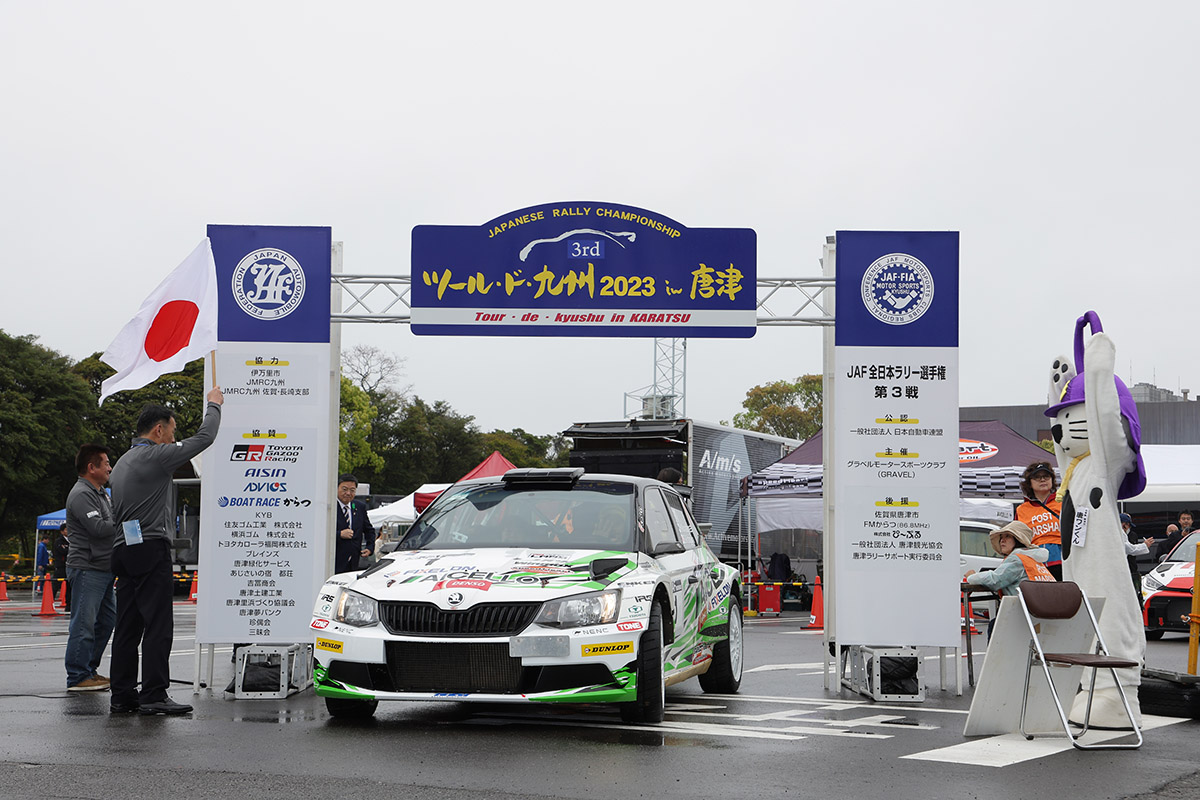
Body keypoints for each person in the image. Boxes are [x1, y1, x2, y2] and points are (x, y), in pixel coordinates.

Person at [109, 390, 223, 715]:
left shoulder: (122, 462)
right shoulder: (156, 456)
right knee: (158, 624)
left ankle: (122, 695)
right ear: (158, 430)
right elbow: (205, 437)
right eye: (172, 431)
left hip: (124, 548)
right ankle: (154, 695)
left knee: (128, 626)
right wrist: (214, 404)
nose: (173, 438)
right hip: (150, 547)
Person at [64, 445, 119, 692]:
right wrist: (122, 518)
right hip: (87, 568)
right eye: (106, 463)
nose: (110, 468)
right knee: (84, 624)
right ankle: (77, 676)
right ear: (91, 467)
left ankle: (89, 670)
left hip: (104, 567)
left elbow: (108, 523)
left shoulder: (101, 493)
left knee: (107, 621)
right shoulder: (81, 494)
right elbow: (98, 528)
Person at [963, 520, 1055, 637]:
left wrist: (972, 576)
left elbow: (995, 580)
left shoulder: (1017, 559)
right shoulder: (1033, 558)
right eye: (1001, 537)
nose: (1002, 540)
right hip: (1040, 612)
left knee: (994, 625)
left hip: (1024, 614)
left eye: (1008, 536)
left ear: (1019, 540)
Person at [1015, 461, 1063, 580]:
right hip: (1035, 563)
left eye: (1046, 476)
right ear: (1029, 483)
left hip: (1062, 560)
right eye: (1037, 477)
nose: (1042, 480)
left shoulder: (1063, 502)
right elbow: (1017, 539)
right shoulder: (1021, 509)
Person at [334, 474, 375, 573]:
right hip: (334, 562)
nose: (348, 493)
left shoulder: (359, 507)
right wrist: (339, 534)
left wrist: (370, 548)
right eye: (344, 489)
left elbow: (369, 530)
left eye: (352, 490)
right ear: (337, 488)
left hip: (353, 562)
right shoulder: (330, 507)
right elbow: (320, 533)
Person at [1119, 513, 1154, 604]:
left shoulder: (1122, 533)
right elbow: (1130, 549)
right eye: (1128, 525)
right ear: (1125, 524)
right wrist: (1144, 545)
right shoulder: (1119, 533)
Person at [52, 523, 70, 612]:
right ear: (62, 531)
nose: (68, 531)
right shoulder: (59, 541)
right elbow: (63, 551)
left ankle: (69, 605)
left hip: (69, 566)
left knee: (69, 586)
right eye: (66, 529)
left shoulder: (72, 540)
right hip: (60, 566)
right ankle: (50, 602)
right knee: (55, 585)